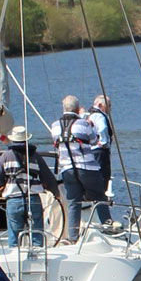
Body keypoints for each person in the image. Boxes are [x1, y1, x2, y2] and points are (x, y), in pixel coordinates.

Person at [0, 125, 61, 248]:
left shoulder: (5, 156)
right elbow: (48, 178)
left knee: (14, 238)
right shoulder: (36, 156)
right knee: (36, 236)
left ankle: (15, 259)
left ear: (13, 139)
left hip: (13, 201)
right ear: (26, 140)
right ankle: (38, 258)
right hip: (33, 199)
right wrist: (56, 193)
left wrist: (5, 184)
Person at [50, 95, 104, 242]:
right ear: (76, 108)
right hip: (86, 167)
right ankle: (107, 227)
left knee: (74, 201)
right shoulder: (83, 123)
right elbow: (94, 140)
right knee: (99, 196)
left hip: (66, 168)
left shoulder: (54, 126)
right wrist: (88, 124)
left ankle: (73, 236)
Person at [89, 95, 114, 195]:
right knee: (103, 176)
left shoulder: (90, 114)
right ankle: (100, 196)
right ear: (100, 105)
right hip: (100, 151)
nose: (110, 108)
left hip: (93, 150)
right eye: (108, 105)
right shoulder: (99, 116)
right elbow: (103, 128)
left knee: (95, 175)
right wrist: (103, 142)